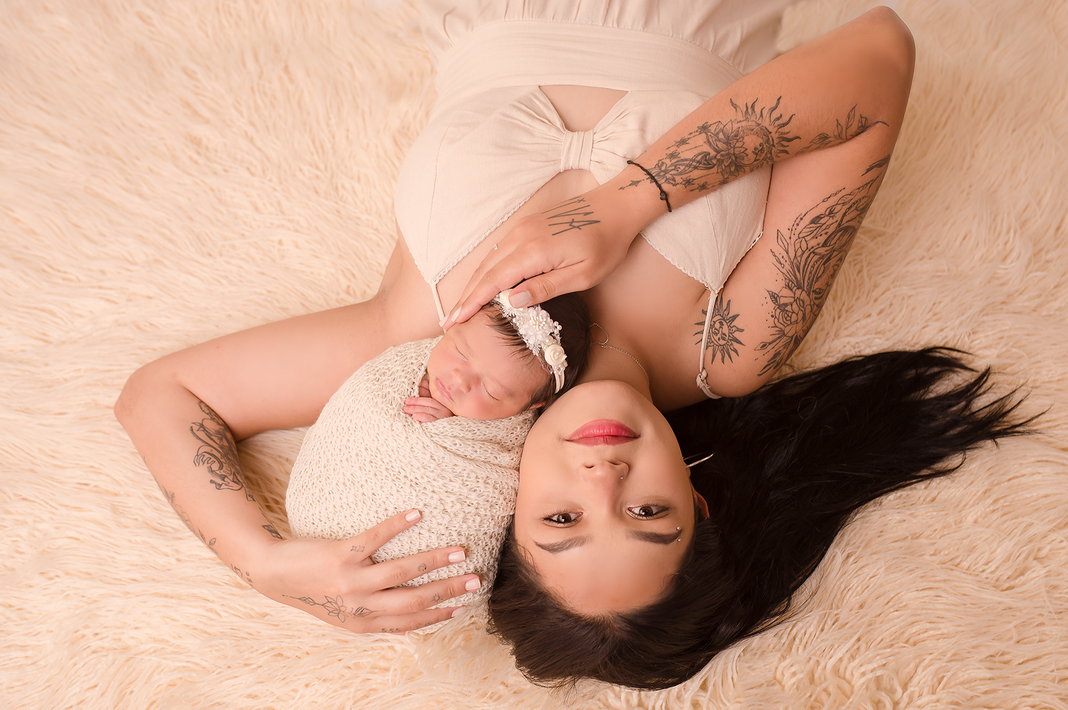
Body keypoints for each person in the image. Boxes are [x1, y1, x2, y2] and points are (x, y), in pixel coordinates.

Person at [114, 1, 951, 648]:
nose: (603, 478)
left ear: (510, 517)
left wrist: (262, 561)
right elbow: (878, 54)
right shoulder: (729, 346)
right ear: (697, 501)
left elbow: (165, 392)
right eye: (648, 512)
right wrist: (629, 202)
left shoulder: (427, 337)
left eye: (562, 522)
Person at [284, 292, 589, 623]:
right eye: (460, 351)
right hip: (319, 522)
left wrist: (451, 427)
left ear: (532, 406)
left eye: (492, 390)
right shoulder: (407, 364)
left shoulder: (516, 439)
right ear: (454, 324)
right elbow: (362, 404)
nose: (458, 380)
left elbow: (494, 480)